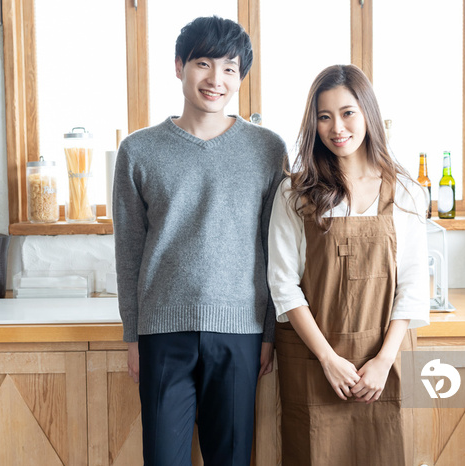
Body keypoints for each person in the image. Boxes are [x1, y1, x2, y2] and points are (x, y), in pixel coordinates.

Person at [112, 16, 287, 466]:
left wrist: (267, 334)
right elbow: (129, 250)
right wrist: (132, 335)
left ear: (241, 77)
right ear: (178, 66)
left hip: (241, 331)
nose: (216, 79)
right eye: (203, 63)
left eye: (230, 68)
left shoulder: (268, 149)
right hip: (161, 332)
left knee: (231, 458)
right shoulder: (138, 150)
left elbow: (274, 248)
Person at [267, 64, 430, 465]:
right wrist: (328, 359)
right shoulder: (295, 192)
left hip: (380, 362)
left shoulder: (406, 191)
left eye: (347, 112)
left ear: (368, 114)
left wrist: (383, 360)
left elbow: (412, 285)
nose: (336, 127)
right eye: (324, 116)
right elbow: (284, 285)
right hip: (313, 361)